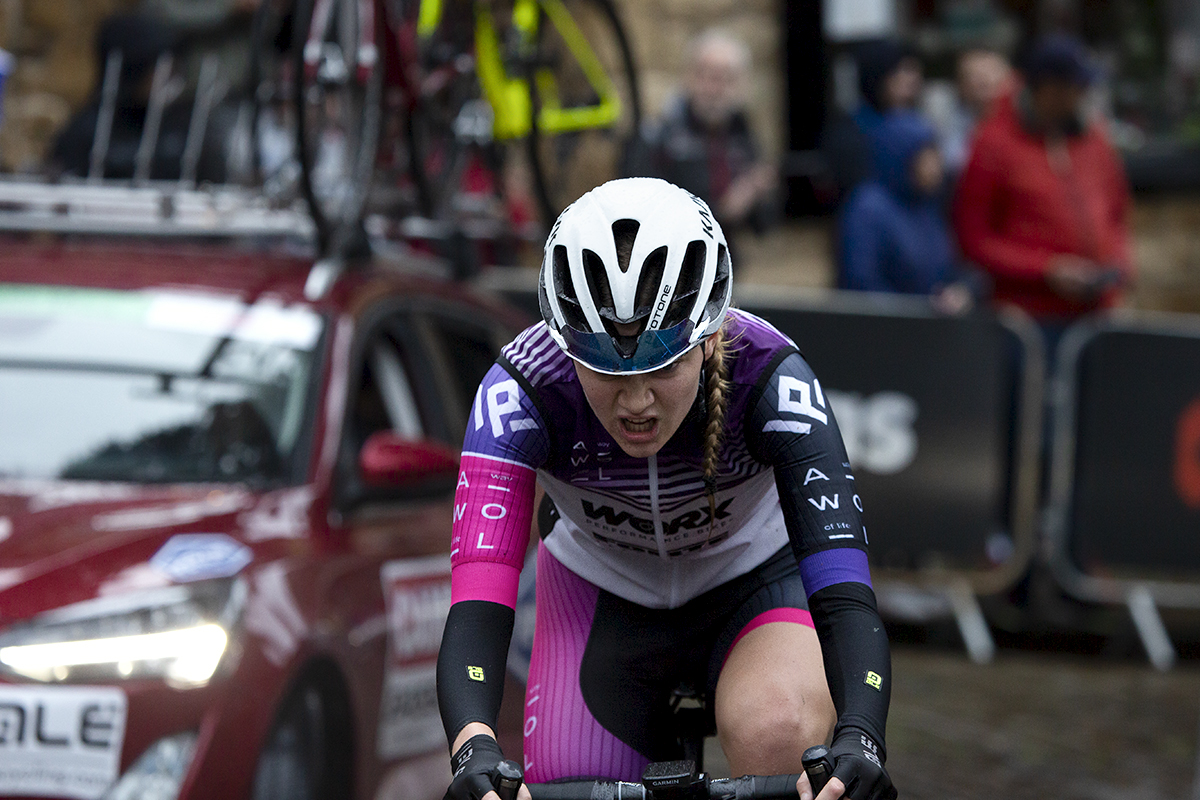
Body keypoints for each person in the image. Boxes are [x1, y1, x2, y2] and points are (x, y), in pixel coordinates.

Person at [437, 178, 896, 800]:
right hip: (600, 596)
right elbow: (477, 600)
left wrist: (862, 734)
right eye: (605, 368)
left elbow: (845, 593)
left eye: (662, 367)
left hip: (753, 586)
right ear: (567, 346)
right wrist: (472, 745)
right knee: (565, 782)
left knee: (782, 737)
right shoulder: (521, 391)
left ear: (708, 338)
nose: (636, 401)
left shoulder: (771, 378)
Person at [953, 33, 1133, 337]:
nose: (1084, 94)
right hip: (1030, 320)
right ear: (1048, 89)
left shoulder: (1094, 138)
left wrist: (1119, 264)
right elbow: (974, 239)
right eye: (1077, 87)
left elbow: (1117, 214)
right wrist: (1047, 270)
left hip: (1098, 313)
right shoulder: (993, 144)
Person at [623, 30, 779, 249]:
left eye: (727, 78)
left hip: (725, 263)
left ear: (742, 85)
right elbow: (637, 216)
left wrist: (759, 194)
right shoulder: (658, 135)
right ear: (687, 77)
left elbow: (764, 225)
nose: (715, 88)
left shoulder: (742, 133)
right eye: (706, 75)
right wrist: (724, 209)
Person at [839, 110, 972, 309]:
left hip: (929, 328)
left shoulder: (927, 204)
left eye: (936, 155)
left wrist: (959, 290)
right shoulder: (867, 208)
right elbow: (861, 282)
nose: (936, 166)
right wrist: (916, 311)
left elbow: (948, 268)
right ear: (900, 158)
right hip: (884, 332)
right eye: (926, 158)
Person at [821, 38, 924, 207]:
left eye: (913, 71)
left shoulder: (913, 125)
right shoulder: (849, 134)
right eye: (900, 72)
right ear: (878, 78)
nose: (911, 80)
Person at [930, 47, 1013, 179]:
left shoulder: (1023, 121)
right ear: (960, 85)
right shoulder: (947, 119)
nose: (985, 81)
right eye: (974, 75)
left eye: (992, 72)